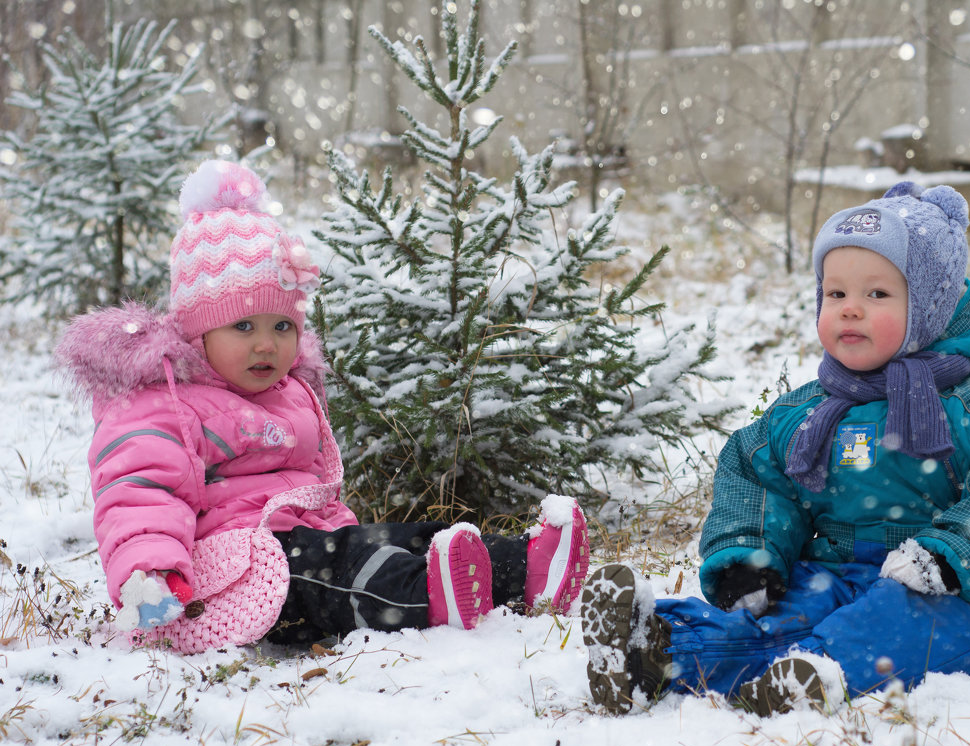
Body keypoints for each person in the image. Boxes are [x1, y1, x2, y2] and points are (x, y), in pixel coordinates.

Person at [56, 159, 590, 654]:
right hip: (238, 572)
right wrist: (150, 576)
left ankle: (526, 569)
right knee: (345, 570)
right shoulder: (165, 402)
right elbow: (140, 493)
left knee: (404, 538)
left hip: (312, 544)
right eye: (243, 326)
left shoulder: (287, 392)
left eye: (282, 326)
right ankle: (433, 597)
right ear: (197, 332)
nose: (267, 344)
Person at [580, 182, 970, 715]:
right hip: (835, 573)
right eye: (836, 294)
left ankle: (818, 672)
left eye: (877, 294)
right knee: (781, 616)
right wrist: (751, 558)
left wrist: (951, 557)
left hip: (960, 592)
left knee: (899, 624)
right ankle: (658, 651)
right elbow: (755, 472)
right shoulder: (808, 412)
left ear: (931, 307)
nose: (850, 310)